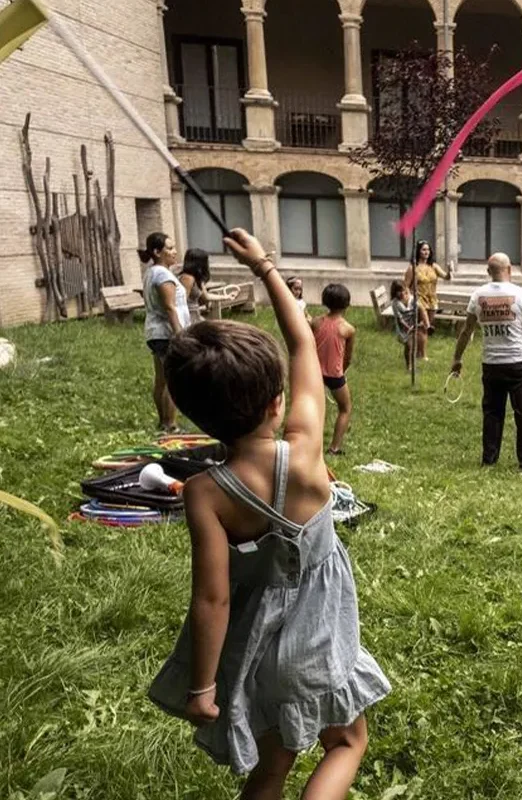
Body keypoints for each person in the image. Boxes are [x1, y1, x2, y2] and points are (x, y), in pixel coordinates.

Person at [149, 228, 390, 796]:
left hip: (256, 647)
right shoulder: (305, 453)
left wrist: (203, 688)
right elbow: (303, 344)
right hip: (319, 639)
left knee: (273, 764)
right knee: (347, 742)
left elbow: (211, 599)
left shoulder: (205, 493)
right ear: (277, 402)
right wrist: (264, 267)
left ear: (195, 416)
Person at [450, 253, 522, 472]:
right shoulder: (521, 294)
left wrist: (457, 358)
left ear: (488, 271)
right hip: (518, 363)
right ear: (509, 269)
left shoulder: (478, 295)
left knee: (492, 413)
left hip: (492, 364)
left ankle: (489, 460)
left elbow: (466, 331)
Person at [140, 232, 190, 433]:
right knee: (173, 380)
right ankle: (170, 425)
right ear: (157, 252)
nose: (174, 251)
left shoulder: (152, 272)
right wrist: (179, 334)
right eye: (169, 248)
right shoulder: (162, 275)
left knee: (161, 379)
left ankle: (163, 423)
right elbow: (170, 307)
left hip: (155, 332)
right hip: (167, 334)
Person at [312, 284, 355, 456]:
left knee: (313, 408)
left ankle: (311, 443)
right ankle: (334, 448)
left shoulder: (315, 322)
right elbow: (348, 357)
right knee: (345, 408)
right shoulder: (348, 329)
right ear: (347, 303)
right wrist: (342, 371)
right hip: (335, 375)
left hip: (314, 372)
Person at [404, 240, 450, 361]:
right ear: (418, 251)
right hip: (419, 300)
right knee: (423, 326)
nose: (426, 252)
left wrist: (450, 270)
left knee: (425, 328)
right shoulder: (413, 268)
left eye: (428, 249)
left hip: (432, 300)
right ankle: (423, 355)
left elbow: (447, 277)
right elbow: (406, 286)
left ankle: (418, 352)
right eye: (424, 249)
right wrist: (410, 300)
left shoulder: (433, 266)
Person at [390, 279, 428, 373]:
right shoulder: (395, 303)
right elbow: (400, 320)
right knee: (408, 345)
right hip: (403, 327)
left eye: (403, 290)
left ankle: (414, 363)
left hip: (412, 323)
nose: (402, 293)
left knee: (414, 344)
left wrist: (421, 321)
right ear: (395, 293)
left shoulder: (411, 298)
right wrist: (408, 328)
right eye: (399, 291)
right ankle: (409, 366)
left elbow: (419, 308)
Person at [178, 248, 210, 322]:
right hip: (189, 317)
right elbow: (182, 301)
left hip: (196, 314)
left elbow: (206, 297)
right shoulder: (187, 278)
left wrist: (227, 296)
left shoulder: (195, 278)